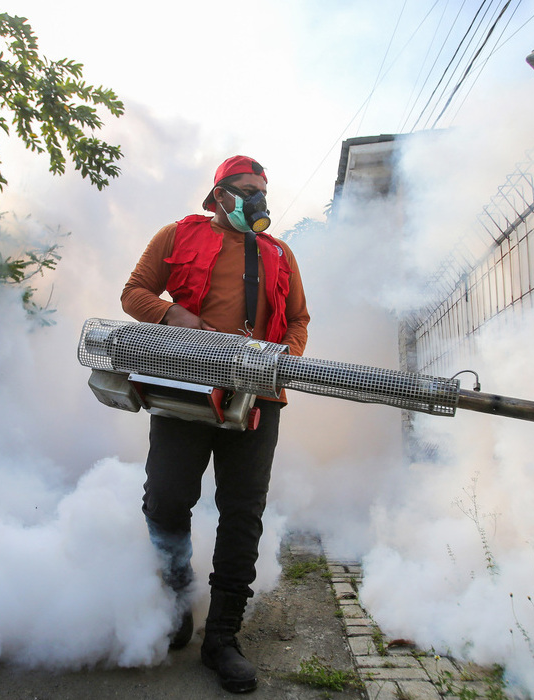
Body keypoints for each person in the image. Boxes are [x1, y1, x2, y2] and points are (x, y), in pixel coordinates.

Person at [121, 155, 310, 693]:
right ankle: (178, 602)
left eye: (263, 189)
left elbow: (298, 319)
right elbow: (133, 292)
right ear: (220, 194)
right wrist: (170, 315)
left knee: (243, 510)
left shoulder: (280, 252)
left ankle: (222, 637)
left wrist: (284, 360)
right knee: (166, 497)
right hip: (185, 387)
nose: (259, 198)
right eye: (247, 189)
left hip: (257, 396)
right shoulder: (177, 236)